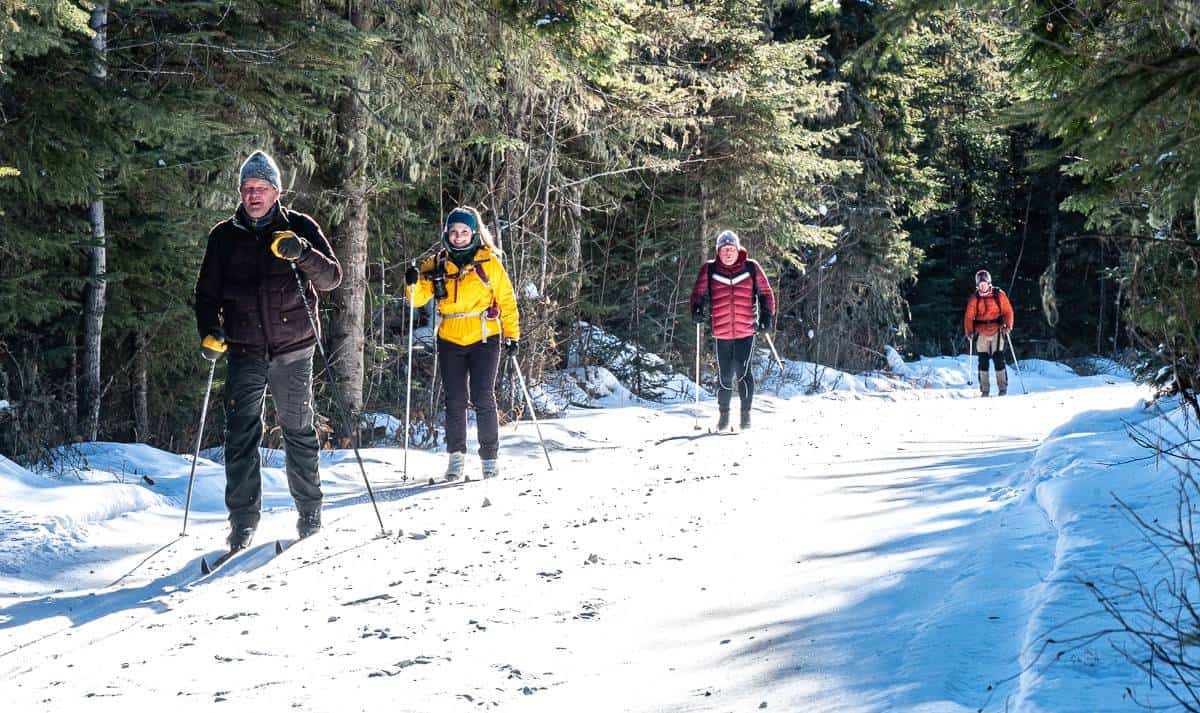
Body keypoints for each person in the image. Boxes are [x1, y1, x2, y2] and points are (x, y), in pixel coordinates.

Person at [194, 150, 343, 549]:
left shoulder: (299, 227)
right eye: (247, 189)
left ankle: (309, 513)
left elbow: (331, 278)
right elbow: (205, 295)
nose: (253, 195)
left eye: (260, 188)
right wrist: (209, 332)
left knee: (297, 430)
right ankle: (242, 522)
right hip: (244, 350)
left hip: (294, 348)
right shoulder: (223, 237)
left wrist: (303, 253)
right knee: (240, 433)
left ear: (277, 191)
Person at [405, 206, 520, 481]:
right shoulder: (436, 263)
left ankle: (489, 459)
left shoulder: (489, 263)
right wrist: (411, 283)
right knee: (454, 400)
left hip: (484, 336)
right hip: (450, 337)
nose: (458, 237)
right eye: (454, 232)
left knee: (483, 397)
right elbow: (417, 299)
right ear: (447, 233)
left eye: (464, 232)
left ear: (474, 233)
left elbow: (507, 300)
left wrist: (512, 334)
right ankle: (456, 460)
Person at [689, 230, 776, 431]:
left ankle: (745, 417)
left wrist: (766, 316)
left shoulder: (751, 268)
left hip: (746, 330)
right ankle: (724, 416)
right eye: (724, 249)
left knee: (743, 372)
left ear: (738, 250)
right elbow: (697, 294)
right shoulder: (709, 270)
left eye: (731, 249)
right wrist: (696, 309)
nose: (728, 253)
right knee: (725, 375)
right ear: (718, 252)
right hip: (722, 332)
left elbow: (766, 294)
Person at [963, 268, 1014, 397]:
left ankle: (1002, 388)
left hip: (997, 330)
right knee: (983, 360)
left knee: (998, 358)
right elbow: (969, 317)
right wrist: (969, 331)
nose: (982, 286)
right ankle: (984, 390)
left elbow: (1008, 311)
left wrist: (1008, 326)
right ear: (977, 285)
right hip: (981, 332)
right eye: (980, 284)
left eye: (984, 284)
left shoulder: (999, 295)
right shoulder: (975, 298)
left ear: (989, 283)